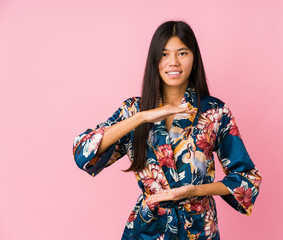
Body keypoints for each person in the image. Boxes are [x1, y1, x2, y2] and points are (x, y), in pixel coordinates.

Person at [73, 20, 262, 240]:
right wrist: (142, 117)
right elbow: (82, 152)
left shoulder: (215, 111)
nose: (173, 62)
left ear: (194, 58)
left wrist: (196, 191)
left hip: (198, 228)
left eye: (182, 53)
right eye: (164, 54)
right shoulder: (133, 110)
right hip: (147, 229)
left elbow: (247, 179)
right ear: (154, 60)